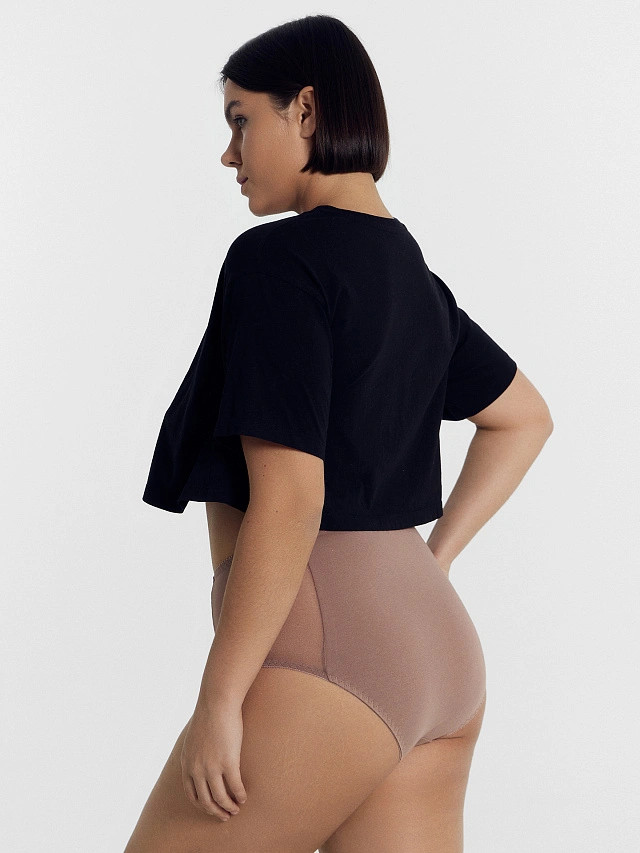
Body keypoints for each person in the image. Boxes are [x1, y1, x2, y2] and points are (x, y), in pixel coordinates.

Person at [125, 14, 553, 853]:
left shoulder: (276, 262)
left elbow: (291, 497)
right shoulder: (412, 276)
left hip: (326, 655)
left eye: (241, 120)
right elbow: (522, 417)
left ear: (306, 111)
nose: (229, 154)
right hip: (438, 647)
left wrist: (221, 696)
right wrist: (434, 563)